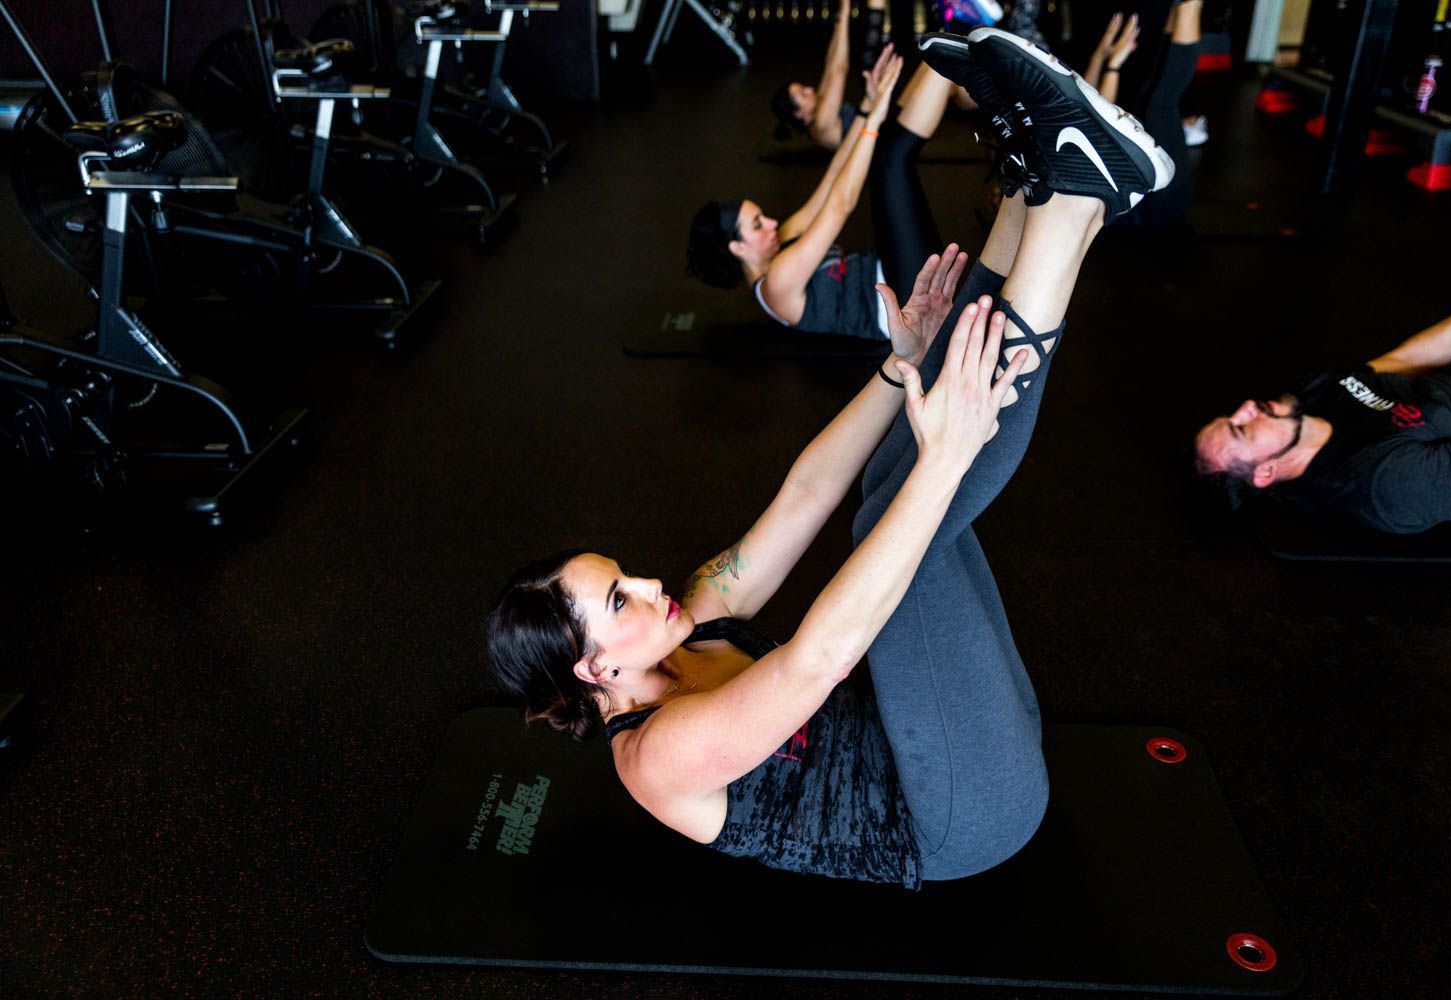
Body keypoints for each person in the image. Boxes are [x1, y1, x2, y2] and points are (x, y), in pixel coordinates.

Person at [487, 29, 1173, 887]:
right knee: (904, 508)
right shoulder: (656, 759)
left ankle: (1043, 195)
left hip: (959, 733)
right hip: (962, 818)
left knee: (893, 481)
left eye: (629, 574)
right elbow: (821, 658)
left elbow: (807, 491)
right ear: (594, 671)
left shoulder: (685, 629)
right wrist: (944, 457)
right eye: (623, 597)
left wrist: (900, 363)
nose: (656, 586)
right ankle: (1074, 199)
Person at [690, 50, 994, 342]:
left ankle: (945, 60)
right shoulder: (776, 284)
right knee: (889, 159)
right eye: (757, 225)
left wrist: (867, 106)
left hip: (890, 268)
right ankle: (955, 66)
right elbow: (840, 206)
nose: (771, 222)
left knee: (885, 142)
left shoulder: (782, 238)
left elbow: (834, 178)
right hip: (901, 310)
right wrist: (873, 122)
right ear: (737, 247)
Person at [1194, 281, 1451, 534]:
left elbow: (1406, 361)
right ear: (1266, 471)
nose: (1247, 406)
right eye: (1242, 428)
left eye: (1231, 414)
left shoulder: (1309, 398)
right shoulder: (1388, 483)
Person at [1082, 2, 1201, 226]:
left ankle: (1177, 9)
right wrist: (1113, 65)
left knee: (1149, 97)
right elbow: (1104, 123)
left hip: (1138, 186)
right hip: (1159, 205)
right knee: (1160, 106)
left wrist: (1100, 56)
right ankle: (1190, 6)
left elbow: (1085, 99)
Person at [771, 0, 889, 150]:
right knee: (867, 63)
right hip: (889, 139)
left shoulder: (818, 115)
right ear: (798, 114)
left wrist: (843, 10)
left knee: (867, 62)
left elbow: (831, 65)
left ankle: (876, 5)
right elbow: (839, 70)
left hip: (886, 126)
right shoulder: (822, 124)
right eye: (803, 94)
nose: (809, 89)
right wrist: (845, 9)